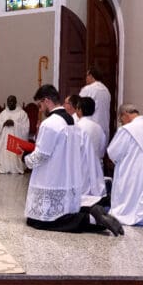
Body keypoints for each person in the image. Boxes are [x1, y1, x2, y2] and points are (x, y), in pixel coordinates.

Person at [22, 84, 123, 236]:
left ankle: (90, 218)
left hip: (52, 177)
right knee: (62, 213)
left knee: (38, 221)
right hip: (67, 177)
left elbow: (41, 155)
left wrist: (25, 158)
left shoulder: (50, 124)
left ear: (47, 100)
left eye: (40, 104)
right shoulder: (71, 121)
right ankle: (90, 210)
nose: (40, 109)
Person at [107, 104, 143, 226]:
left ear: (125, 114)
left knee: (129, 200)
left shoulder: (127, 129)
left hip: (131, 171)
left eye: (121, 120)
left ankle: (127, 216)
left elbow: (113, 152)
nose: (122, 123)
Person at [76, 96, 107, 198]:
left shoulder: (77, 127)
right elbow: (102, 148)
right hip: (97, 167)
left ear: (79, 110)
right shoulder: (98, 127)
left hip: (80, 167)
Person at [0, 95, 30, 174]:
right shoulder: (3, 113)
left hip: (16, 138)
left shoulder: (22, 113)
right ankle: (4, 167)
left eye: (12, 101)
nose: (10, 103)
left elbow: (26, 128)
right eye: (8, 102)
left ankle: (16, 168)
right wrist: (3, 124)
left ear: (15, 102)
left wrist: (14, 123)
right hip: (5, 139)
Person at [79, 67, 112, 141]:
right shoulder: (106, 91)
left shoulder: (88, 89)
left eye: (86, 76)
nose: (86, 78)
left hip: (90, 129)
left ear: (91, 76)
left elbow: (79, 106)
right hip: (104, 128)